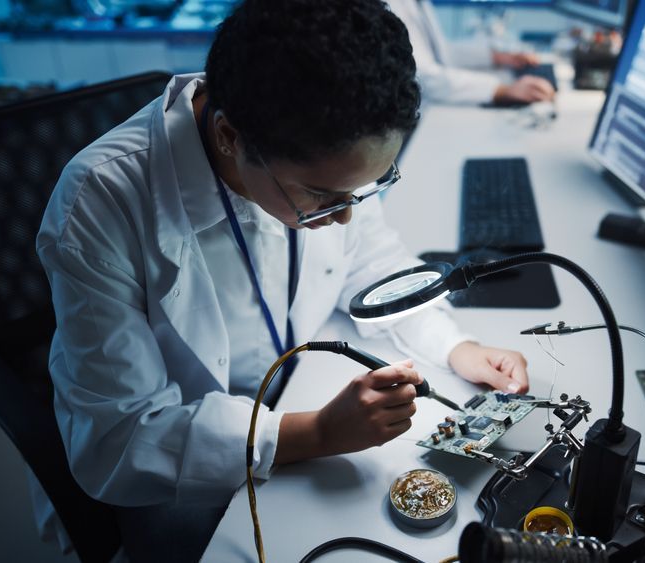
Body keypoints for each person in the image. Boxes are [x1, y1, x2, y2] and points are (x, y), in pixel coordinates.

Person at [35, 0, 530, 560]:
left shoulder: (325, 144)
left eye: (365, 187)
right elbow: (119, 441)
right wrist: (314, 434)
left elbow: (372, 261)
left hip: (304, 386)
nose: (344, 215)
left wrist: (454, 346)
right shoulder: (100, 203)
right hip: (186, 461)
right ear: (228, 136)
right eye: (322, 198)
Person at [387, 0, 556, 106]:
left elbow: (444, 52)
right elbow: (423, 78)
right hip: (406, 122)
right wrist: (501, 90)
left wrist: (499, 57)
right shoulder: (388, 5)